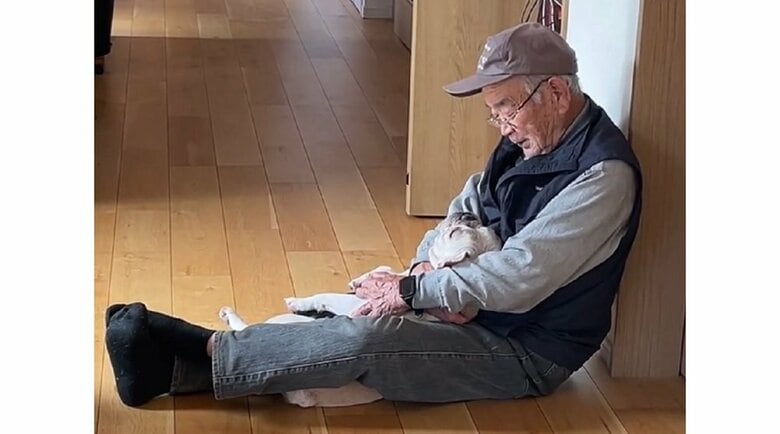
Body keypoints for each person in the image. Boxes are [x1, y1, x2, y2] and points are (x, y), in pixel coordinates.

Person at [104, 22, 642, 408]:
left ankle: (196, 349)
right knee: (363, 319)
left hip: (525, 349)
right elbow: (467, 205)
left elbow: (520, 277)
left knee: (372, 342)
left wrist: (413, 291)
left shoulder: (602, 177)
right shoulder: (531, 136)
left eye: (506, 108)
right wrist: (422, 269)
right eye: (493, 112)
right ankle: (174, 370)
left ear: (555, 92)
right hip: (478, 311)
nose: (501, 125)